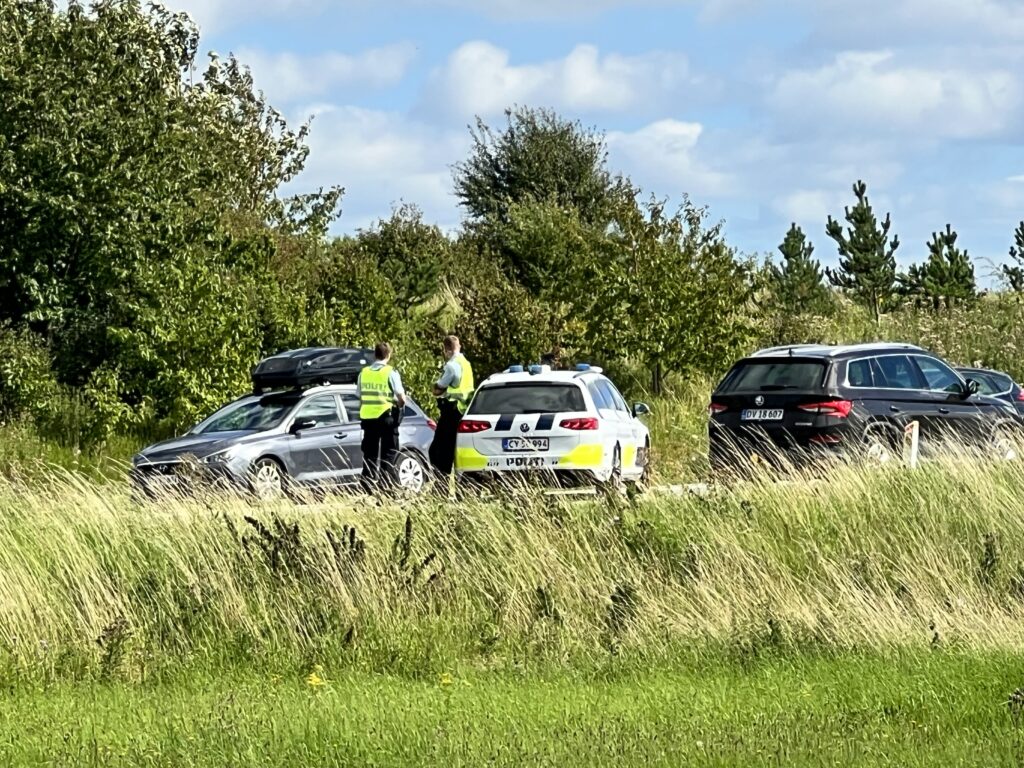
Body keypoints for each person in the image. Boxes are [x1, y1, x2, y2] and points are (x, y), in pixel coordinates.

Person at [357, 342, 406, 491]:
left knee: (370, 454)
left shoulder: (364, 373)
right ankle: (387, 486)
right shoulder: (390, 372)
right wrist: (399, 406)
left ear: (375, 355)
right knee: (389, 453)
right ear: (388, 355)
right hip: (386, 418)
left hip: (368, 420)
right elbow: (401, 397)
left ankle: (367, 486)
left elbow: (359, 396)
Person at [429, 335, 474, 494]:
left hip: (451, 412)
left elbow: (439, 388)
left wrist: (437, 388)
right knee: (458, 450)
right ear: (459, 346)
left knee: (439, 452)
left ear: (446, 350)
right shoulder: (466, 363)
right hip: (464, 411)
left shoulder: (452, 365)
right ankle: (463, 488)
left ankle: (440, 489)